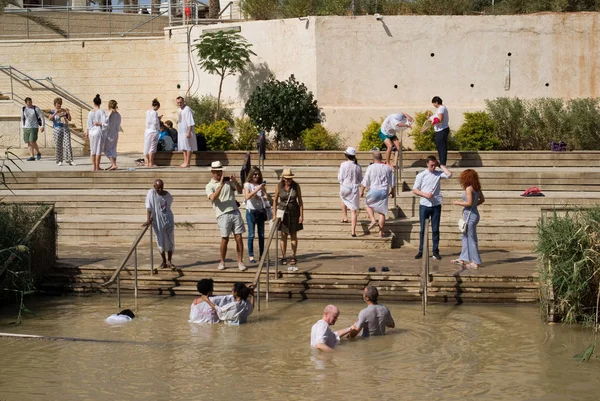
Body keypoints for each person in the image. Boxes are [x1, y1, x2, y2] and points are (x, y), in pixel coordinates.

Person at [206, 161, 247, 271]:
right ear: (212, 172)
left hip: (234, 211)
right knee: (225, 238)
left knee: (239, 237)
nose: (219, 173)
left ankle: (240, 261)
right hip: (222, 213)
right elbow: (213, 197)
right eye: (217, 172)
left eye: (220, 171)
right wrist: (220, 185)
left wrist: (235, 181)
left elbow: (239, 190)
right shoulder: (210, 185)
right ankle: (222, 261)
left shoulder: (228, 182)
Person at [412, 155, 452, 260]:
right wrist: (425, 194)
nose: (433, 168)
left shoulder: (438, 174)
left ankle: (435, 251)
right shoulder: (421, 175)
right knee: (422, 230)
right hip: (424, 205)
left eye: (434, 165)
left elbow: (449, 174)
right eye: (431, 165)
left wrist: (441, 165)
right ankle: (421, 250)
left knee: (435, 229)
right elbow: (415, 190)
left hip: (436, 205)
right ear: (427, 164)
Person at [452, 169, 485, 269]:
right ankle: (462, 258)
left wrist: (458, 203)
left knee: (471, 238)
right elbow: (482, 200)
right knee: (465, 236)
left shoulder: (468, 188)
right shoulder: (477, 188)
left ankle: (475, 261)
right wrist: (474, 205)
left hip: (470, 216)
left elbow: (469, 203)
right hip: (473, 213)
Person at [273, 167, 303, 269]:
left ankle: (293, 256)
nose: (289, 180)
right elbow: (275, 200)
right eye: (287, 178)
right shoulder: (279, 186)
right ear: (283, 178)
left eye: (290, 178)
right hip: (282, 212)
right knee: (283, 234)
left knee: (293, 234)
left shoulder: (296, 186)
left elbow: (300, 201)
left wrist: (301, 215)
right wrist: (274, 214)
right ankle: (283, 256)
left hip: (294, 211)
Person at [360, 151, 395, 238]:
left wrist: (362, 191)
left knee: (367, 204)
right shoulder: (387, 168)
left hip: (374, 189)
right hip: (384, 191)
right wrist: (392, 191)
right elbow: (392, 182)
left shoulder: (370, 167)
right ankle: (380, 233)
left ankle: (372, 220)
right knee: (382, 212)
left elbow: (366, 180)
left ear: (373, 159)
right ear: (381, 158)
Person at [143, 179, 175, 269]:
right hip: (157, 221)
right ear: (154, 187)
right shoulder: (151, 193)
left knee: (170, 241)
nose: (160, 190)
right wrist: (148, 220)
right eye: (158, 189)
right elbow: (149, 207)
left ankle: (169, 261)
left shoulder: (168, 195)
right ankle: (164, 261)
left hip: (168, 220)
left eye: (161, 188)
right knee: (160, 241)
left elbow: (168, 205)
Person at [244, 166, 269, 264]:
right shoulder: (247, 184)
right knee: (251, 235)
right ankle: (251, 255)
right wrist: (258, 188)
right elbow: (247, 196)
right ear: (251, 174)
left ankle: (262, 255)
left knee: (261, 235)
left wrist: (264, 195)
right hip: (251, 211)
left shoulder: (260, 185)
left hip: (260, 210)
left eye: (258, 174)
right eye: (255, 174)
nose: (257, 176)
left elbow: (266, 197)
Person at [338, 146, 363, 237]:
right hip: (354, 188)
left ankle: (345, 217)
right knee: (353, 211)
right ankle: (353, 231)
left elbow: (340, 178)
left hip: (345, 186)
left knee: (342, 198)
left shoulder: (343, 164)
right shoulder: (358, 166)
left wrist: (342, 182)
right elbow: (360, 179)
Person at [49, 97, 75, 166]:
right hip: (57, 128)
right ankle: (59, 160)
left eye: (60, 104)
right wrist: (55, 113)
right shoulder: (52, 111)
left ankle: (70, 160)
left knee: (68, 144)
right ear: (55, 104)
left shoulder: (63, 110)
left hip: (65, 128)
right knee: (58, 145)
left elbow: (69, 119)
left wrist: (68, 113)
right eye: (58, 104)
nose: (59, 105)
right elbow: (50, 118)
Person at [85, 94, 108, 171]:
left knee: (92, 149)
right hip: (98, 131)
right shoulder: (101, 111)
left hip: (91, 131)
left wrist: (87, 132)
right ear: (100, 103)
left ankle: (94, 167)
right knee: (98, 149)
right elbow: (104, 122)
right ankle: (97, 167)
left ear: (94, 102)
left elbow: (88, 124)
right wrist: (99, 123)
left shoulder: (90, 112)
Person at [21, 97, 44, 161]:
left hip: (34, 127)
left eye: (31, 102)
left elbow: (42, 117)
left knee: (32, 141)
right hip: (26, 127)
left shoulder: (36, 108)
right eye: (29, 102)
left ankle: (38, 152)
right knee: (28, 142)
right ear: (25, 103)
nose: (30, 103)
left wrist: (42, 126)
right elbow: (22, 118)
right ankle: (32, 156)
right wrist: (23, 126)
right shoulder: (23, 109)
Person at [176, 96, 197, 168]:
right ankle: (185, 162)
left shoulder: (187, 109)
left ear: (183, 101)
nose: (179, 104)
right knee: (183, 147)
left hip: (187, 131)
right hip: (181, 131)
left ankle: (187, 163)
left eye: (181, 102)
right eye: (178, 103)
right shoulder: (179, 110)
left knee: (188, 147)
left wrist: (189, 132)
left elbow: (190, 121)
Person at [430, 96, 450, 167]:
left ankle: (443, 163)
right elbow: (436, 117)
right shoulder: (441, 108)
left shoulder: (441, 108)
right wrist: (430, 118)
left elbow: (440, 119)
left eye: (434, 103)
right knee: (439, 147)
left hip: (442, 130)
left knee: (442, 147)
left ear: (436, 102)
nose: (434, 105)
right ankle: (442, 162)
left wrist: (432, 123)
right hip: (440, 130)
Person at [104, 99, 121, 170]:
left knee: (106, 150)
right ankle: (113, 164)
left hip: (110, 134)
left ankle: (113, 164)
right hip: (116, 133)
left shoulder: (110, 114)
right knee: (113, 149)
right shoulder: (118, 115)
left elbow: (105, 123)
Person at [144, 98, 161, 167]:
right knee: (152, 147)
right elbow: (155, 122)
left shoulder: (147, 112)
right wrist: (159, 119)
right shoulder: (155, 113)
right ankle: (151, 163)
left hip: (147, 131)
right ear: (157, 106)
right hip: (153, 131)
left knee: (146, 147)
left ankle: (148, 162)